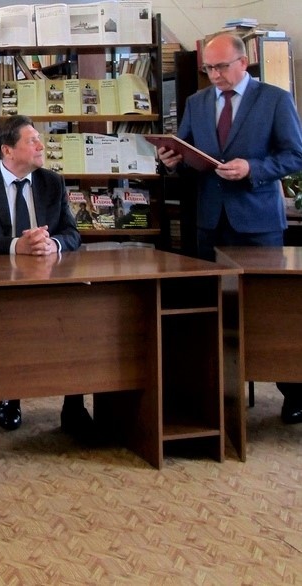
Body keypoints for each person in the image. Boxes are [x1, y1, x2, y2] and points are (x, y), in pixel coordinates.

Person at [155, 32, 302, 424]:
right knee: (213, 306)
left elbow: (295, 155)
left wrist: (253, 168)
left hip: (257, 222)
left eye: (221, 67)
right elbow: (186, 152)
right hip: (210, 221)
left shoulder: (274, 99)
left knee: (268, 309)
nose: (215, 75)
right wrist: (171, 160)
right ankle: (215, 387)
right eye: (209, 68)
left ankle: (293, 390)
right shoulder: (197, 102)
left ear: (243, 63)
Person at [0, 115, 90, 439]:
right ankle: (9, 397)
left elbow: (72, 233)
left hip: (50, 282)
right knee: (11, 323)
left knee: (81, 319)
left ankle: (74, 404)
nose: (41, 145)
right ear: (7, 150)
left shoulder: (52, 182)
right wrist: (17, 245)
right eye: (32, 140)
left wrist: (53, 243)